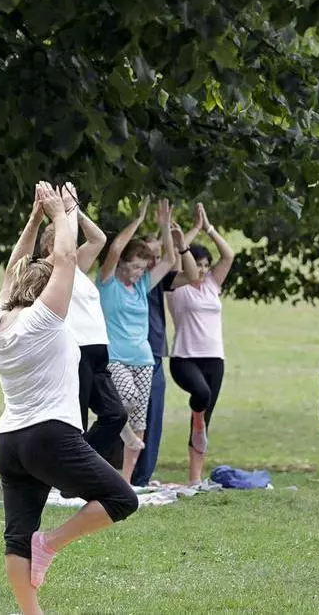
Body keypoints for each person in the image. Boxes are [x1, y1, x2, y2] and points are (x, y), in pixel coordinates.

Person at [0, 183, 139, 615]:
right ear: (46, 292)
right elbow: (67, 258)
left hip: (9, 441)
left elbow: (14, 266)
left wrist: (34, 218)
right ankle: (50, 543)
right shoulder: (45, 320)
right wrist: (62, 212)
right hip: (50, 435)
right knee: (122, 499)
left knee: (16, 537)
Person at [37, 184, 132, 466]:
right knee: (75, 420)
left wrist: (75, 211)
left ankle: (77, 464)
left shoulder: (76, 269)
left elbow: (98, 239)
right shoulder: (49, 270)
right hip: (75, 351)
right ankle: (70, 472)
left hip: (99, 352)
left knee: (115, 415)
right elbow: (65, 252)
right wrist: (64, 215)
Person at [97, 199, 187, 482]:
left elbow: (170, 261)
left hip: (144, 359)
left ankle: (126, 480)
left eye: (142, 268)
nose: (139, 273)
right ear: (122, 264)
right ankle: (122, 431)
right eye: (135, 267)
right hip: (115, 356)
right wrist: (137, 220)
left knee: (140, 420)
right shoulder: (107, 283)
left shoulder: (141, 286)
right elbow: (114, 248)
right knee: (129, 399)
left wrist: (164, 227)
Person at [167, 203, 235, 485]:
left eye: (207, 265)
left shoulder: (211, 285)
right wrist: (190, 233)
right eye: (199, 265)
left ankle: (194, 478)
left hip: (214, 359)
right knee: (201, 395)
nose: (204, 270)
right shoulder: (176, 286)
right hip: (185, 358)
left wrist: (208, 228)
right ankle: (198, 417)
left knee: (205, 418)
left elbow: (228, 255)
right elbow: (175, 256)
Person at [132, 214, 198, 486]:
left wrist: (183, 242)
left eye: (156, 257)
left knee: (153, 416)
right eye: (149, 256)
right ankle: (120, 473)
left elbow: (191, 275)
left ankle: (141, 478)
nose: (154, 261)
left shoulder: (158, 279)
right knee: (123, 415)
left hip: (155, 352)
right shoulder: (130, 279)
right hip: (128, 355)